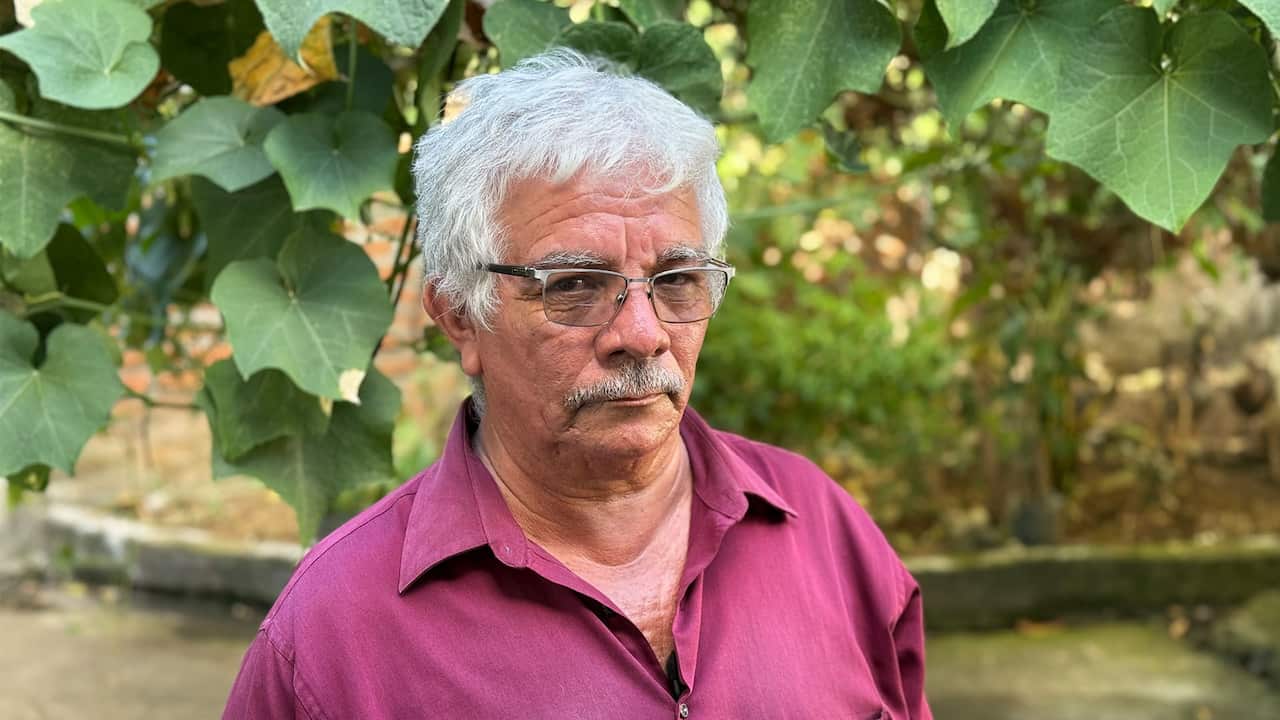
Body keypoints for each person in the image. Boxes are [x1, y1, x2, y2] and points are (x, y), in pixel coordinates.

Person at [223, 49, 931, 719]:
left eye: (677, 280)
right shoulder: (336, 633)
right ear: (460, 317)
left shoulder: (824, 533)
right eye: (574, 286)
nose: (643, 334)